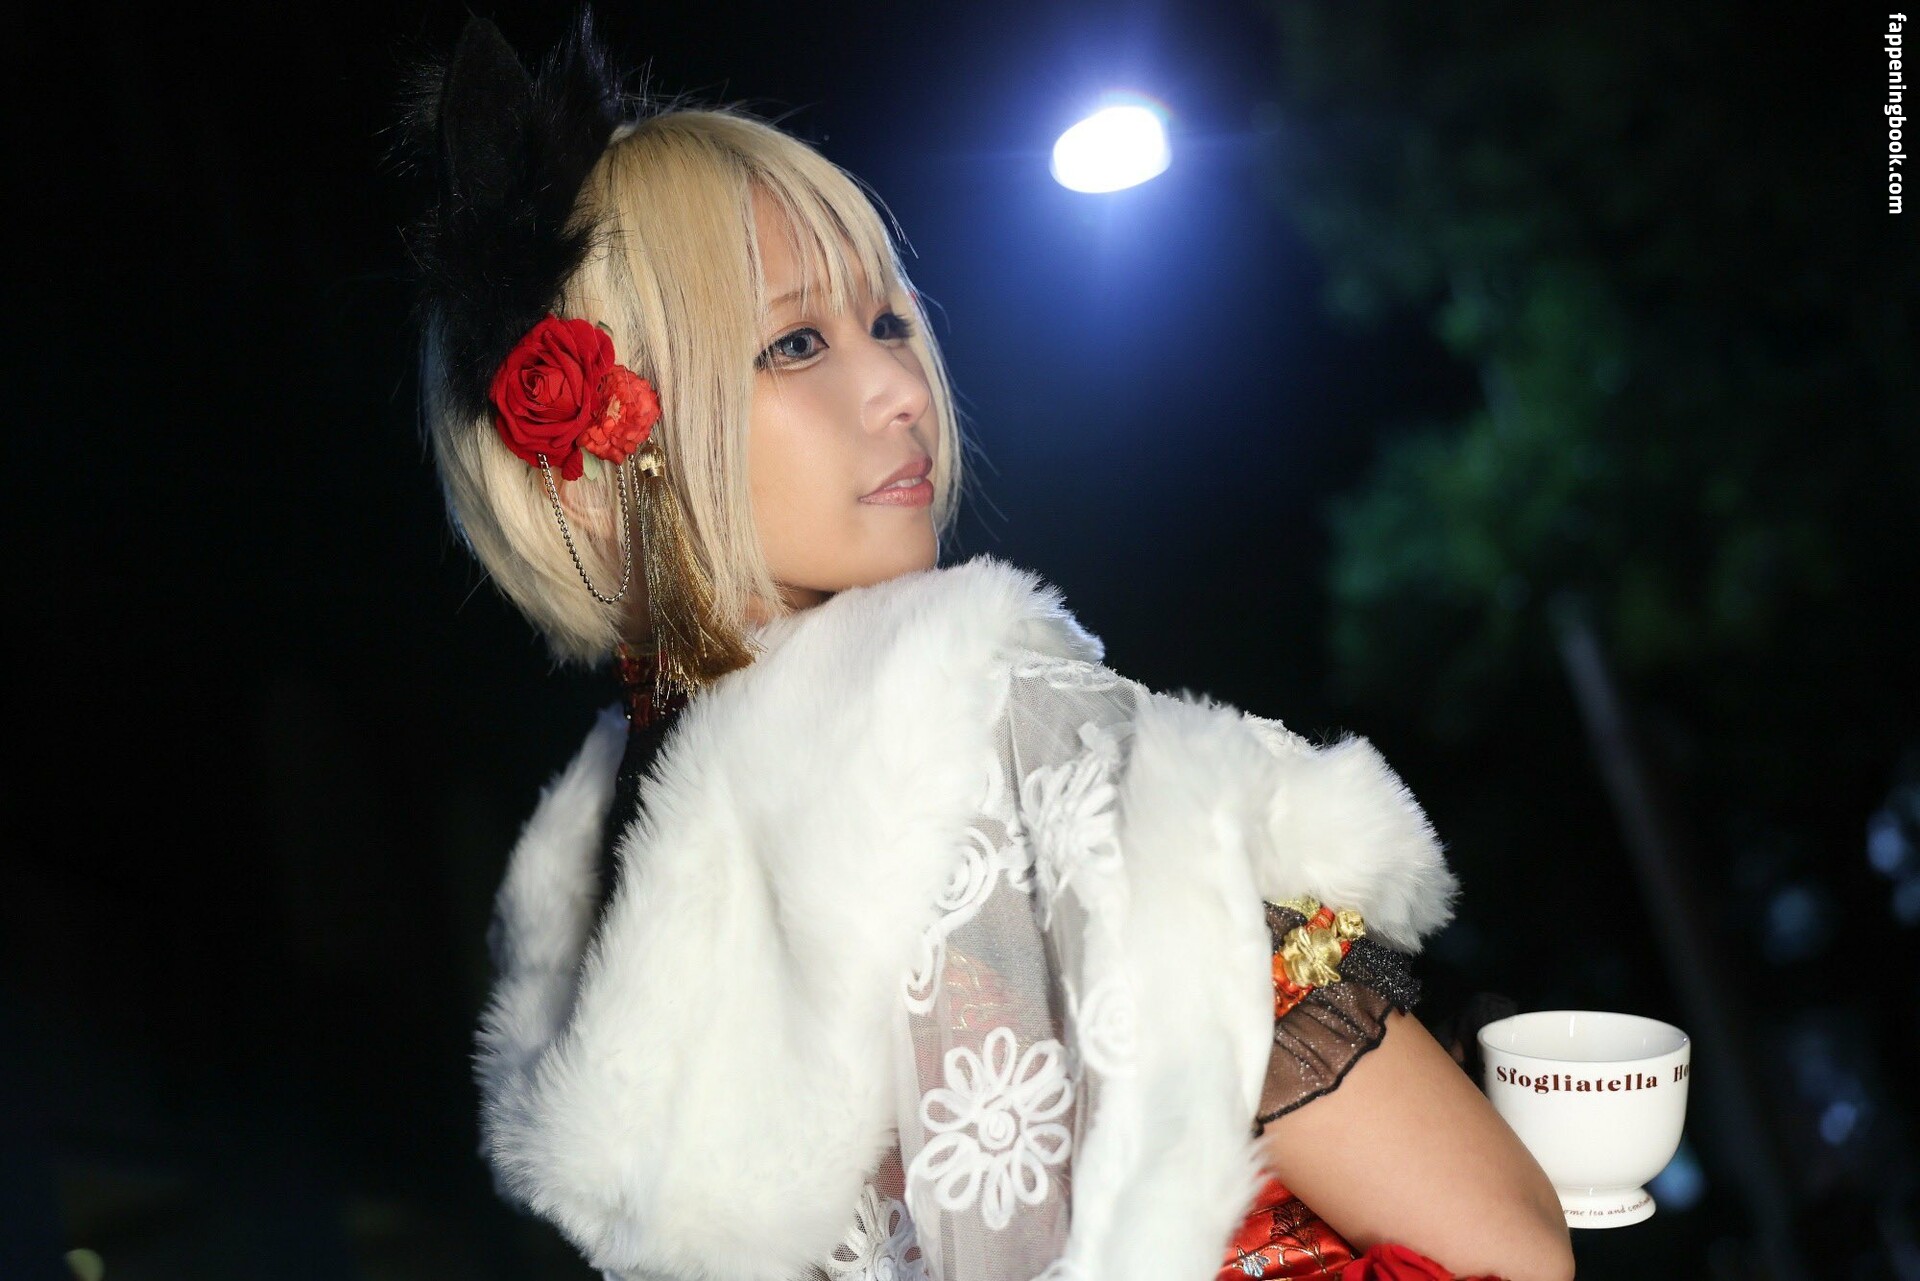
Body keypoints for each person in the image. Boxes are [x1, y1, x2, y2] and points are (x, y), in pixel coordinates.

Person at [402, 15, 1574, 1281]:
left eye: (888, 322)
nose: (902, 389)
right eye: (794, 343)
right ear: (602, 453)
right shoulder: (998, 725)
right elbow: (1503, 1246)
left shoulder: (599, 918)